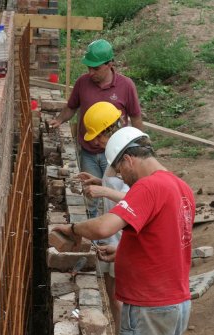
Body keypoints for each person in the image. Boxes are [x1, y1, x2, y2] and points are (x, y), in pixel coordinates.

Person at [53, 127, 195, 335]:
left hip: (149, 305)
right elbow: (168, 241)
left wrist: (74, 228)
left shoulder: (148, 186)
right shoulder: (181, 187)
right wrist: (122, 252)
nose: (121, 177)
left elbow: (104, 227)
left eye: (119, 170)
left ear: (128, 159)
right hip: (177, 302)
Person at [50, 39, 143, 217]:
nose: (91, 72)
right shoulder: (82, 83)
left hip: (115, 154)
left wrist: (141, 146)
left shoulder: (126, 86)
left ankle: (113, 234)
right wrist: (59, 119)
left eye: (96, 68)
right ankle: (94, 239)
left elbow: (136, 117)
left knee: (119, 196)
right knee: (91, 196)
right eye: (89, 68)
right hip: (89, 152)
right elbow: (71, 107)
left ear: (110, 64)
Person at [78, 101, 129, 335]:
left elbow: (139, 198)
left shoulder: (130, 157)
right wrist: (99, 182)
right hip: (113, 235)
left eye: (98, 137)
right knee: (112, 293)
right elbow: (117, 186)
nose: (95, 142)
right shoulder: (114, 155)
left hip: (125, 237)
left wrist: (105, 192)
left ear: (110, 129)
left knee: (121, 300)